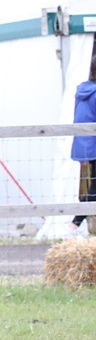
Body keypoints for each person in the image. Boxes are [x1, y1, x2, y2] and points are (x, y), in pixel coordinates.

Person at [67, 56, 96, 236]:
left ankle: (75, 224)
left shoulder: (84, 92)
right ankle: (75, 223)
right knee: (95, 187)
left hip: (86, 144)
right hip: (93, 145)